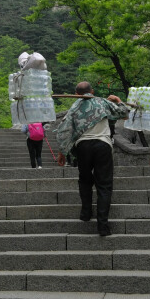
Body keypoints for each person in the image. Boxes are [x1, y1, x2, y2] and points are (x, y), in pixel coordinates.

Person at [56, 81, 129, 236]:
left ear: (76, 94)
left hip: (83, 147)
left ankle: (86, 213)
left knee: (85, 180)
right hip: (103, 145)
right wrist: (117, 99)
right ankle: (103, 225)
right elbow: (124, 113)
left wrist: (62, 152)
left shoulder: (74, 107)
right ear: (92, 91)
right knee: (104, 184)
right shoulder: (102, 102)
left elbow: (64, 128)